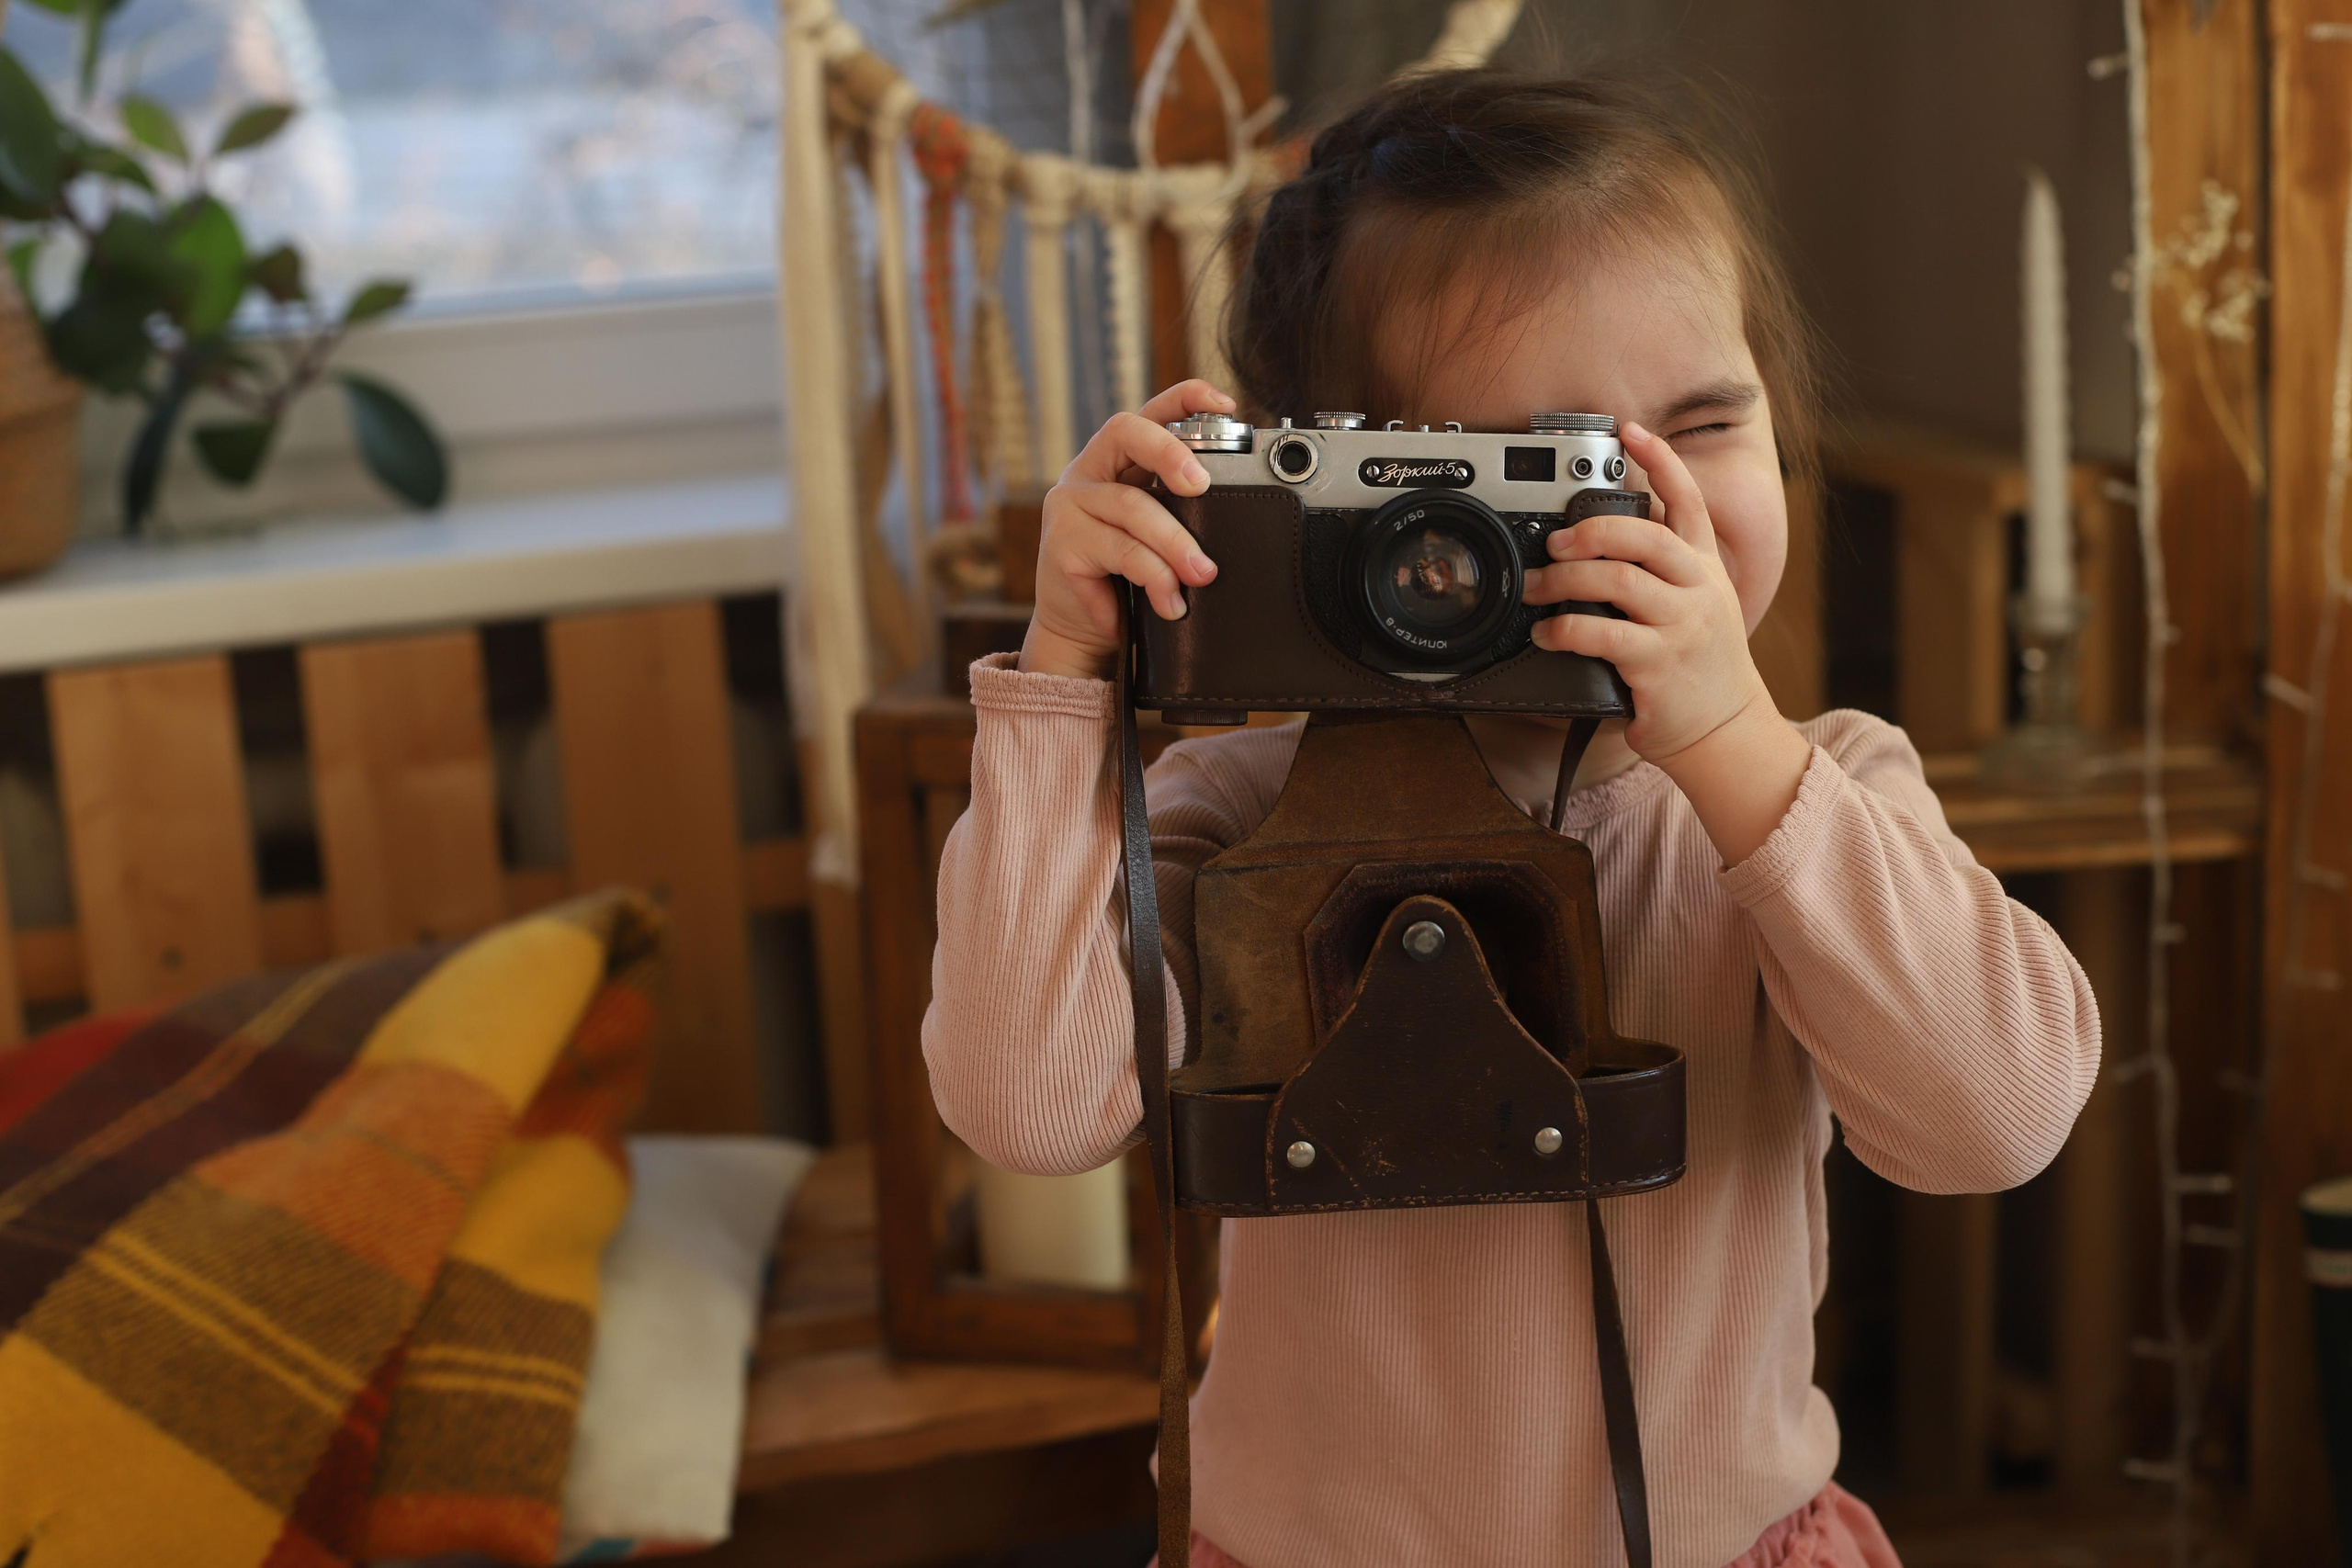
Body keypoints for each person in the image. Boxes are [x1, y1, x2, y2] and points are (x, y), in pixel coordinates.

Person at [922, 69, 2101, 1568]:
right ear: (1349, 506)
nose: (1637, 517)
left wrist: (1736, 753)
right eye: (1531, 471)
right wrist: (1063, 677)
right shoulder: (1243, 813)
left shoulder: (1820, 798)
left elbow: (1997, 1123)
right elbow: (1031, 1114)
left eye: (1704, 424)